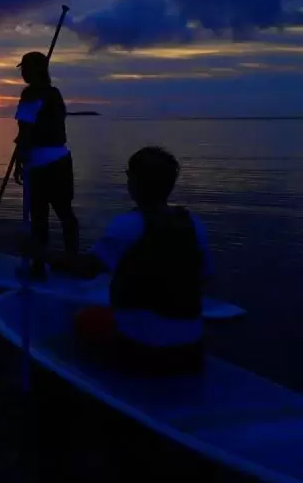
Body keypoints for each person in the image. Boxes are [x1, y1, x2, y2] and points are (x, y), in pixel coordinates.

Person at [46, 146, 210, 375]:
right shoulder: (195, 223)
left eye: (129, 175)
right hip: (192, 349)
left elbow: (85, 269)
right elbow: (203, 278)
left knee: (83, 319)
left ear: (135, 183)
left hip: (146, 349)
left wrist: (39, 252)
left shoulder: (128, 224)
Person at [14, 50, 79, 279]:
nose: (22, 73)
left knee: (40, 216)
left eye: (25, 69)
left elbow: (26, 131)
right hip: (62, 159)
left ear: (33, 70)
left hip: (40, 162)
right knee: (65, 213)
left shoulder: (31, 94)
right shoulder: (54, 93)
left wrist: (20, 162)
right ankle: (72, 261)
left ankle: (39, 267)